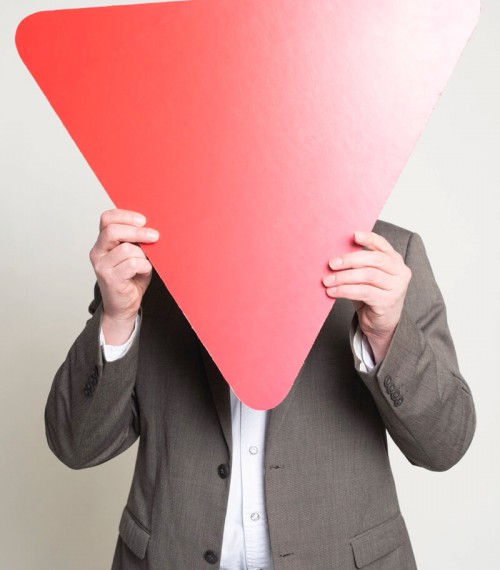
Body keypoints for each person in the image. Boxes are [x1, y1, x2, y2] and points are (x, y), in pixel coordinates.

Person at [45, 208, 476, 569]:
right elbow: (76, 445)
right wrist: (117, 319)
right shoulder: (146, 257)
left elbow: (444, 445)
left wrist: (387, 334)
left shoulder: (385, 257)